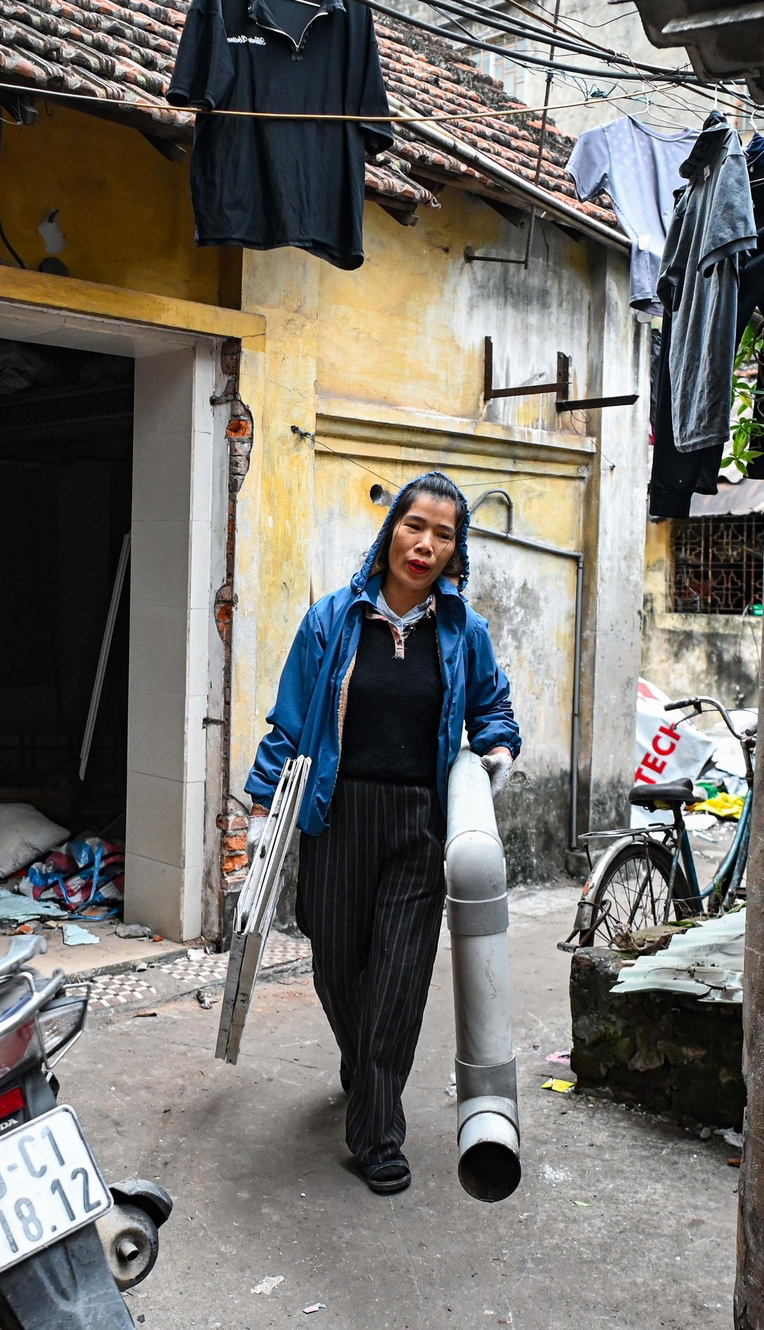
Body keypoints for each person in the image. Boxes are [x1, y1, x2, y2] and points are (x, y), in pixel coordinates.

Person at [245, 471, 520, 1195]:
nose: (425, 544)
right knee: (338, 967)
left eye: (444, 534)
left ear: (457, 552)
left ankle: (377, 1130)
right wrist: (261, 809)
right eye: (414, 526)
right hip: (336, 816)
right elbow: (292, 721)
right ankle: (363, 1062)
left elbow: (494, 711)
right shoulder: (332, 621)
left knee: (399, 979)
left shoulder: (465, 632)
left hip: (419, 827)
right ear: (390, 530)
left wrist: (496, 754)